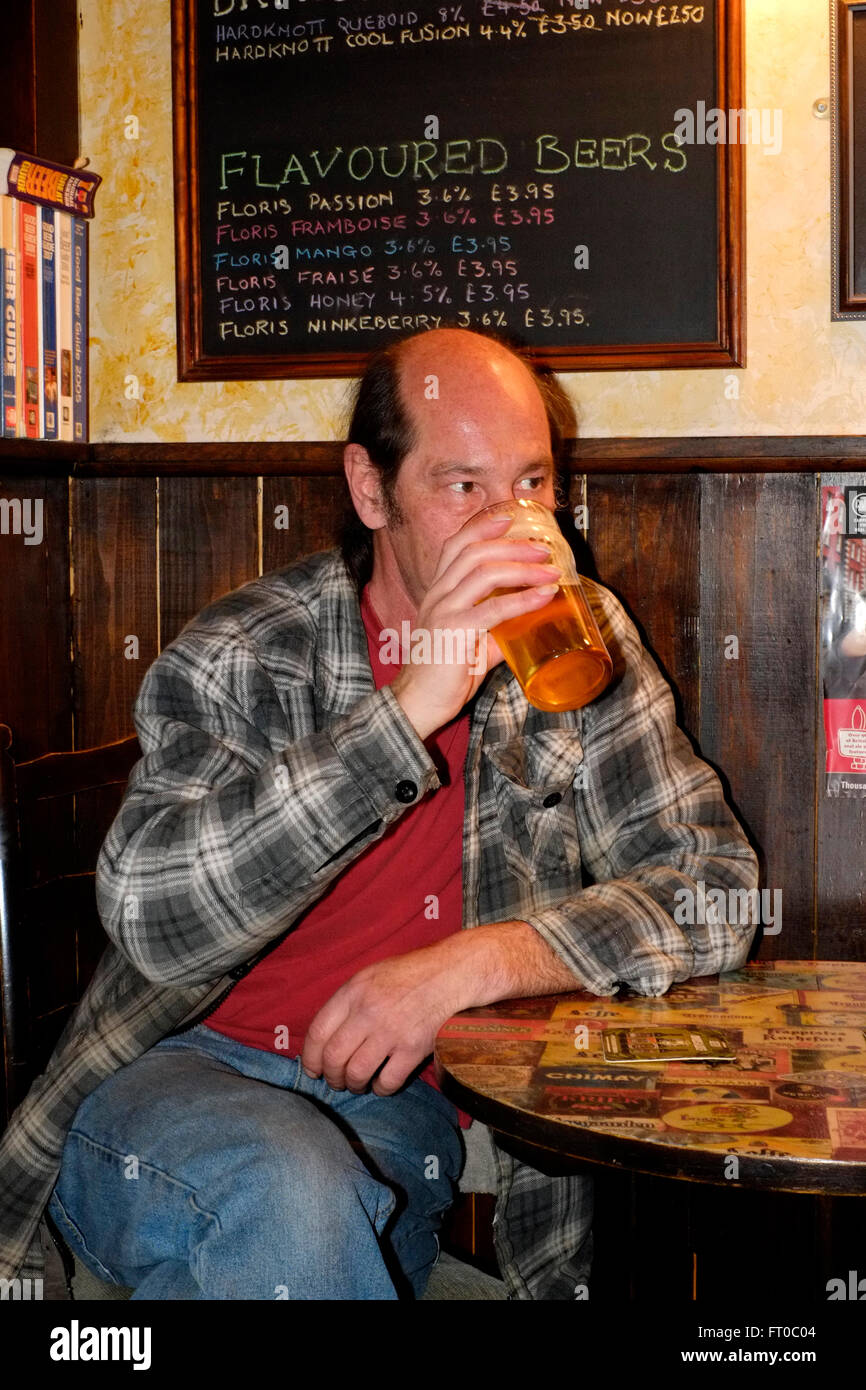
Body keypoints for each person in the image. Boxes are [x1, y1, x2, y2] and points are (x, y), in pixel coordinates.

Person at [0, 328, 759, 1300]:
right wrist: (407, 711)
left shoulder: (577, 642)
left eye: (531, 481)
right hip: (170, 1082)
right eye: (463, 487)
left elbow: (715, 889)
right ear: (369, 490)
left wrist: (466, 968)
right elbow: (152, 912)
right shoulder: (247, 652)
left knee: (294, 1224)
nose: (510, 525)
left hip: (386, 1117)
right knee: (293, 1193)